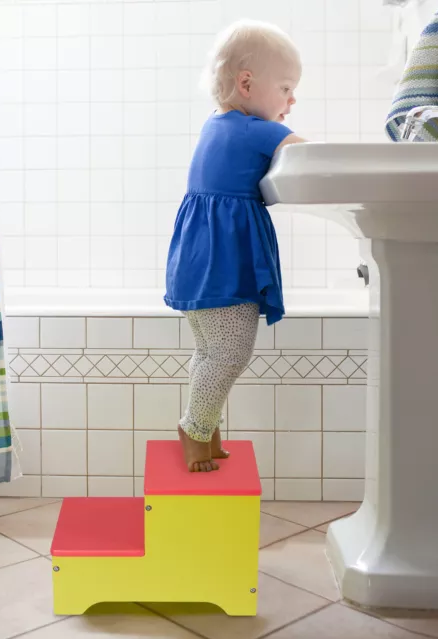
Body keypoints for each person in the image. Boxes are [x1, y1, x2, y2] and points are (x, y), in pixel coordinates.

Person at [164, 20, 306, 472]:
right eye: (286, 87)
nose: (291, 100)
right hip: (223, 267)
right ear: (247, 83)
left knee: (210, 352)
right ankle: (195, 427)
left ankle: (207, 425)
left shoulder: (218, 125)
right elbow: (312, 156)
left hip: (198, 262)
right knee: (231, 352)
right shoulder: (252, 129)